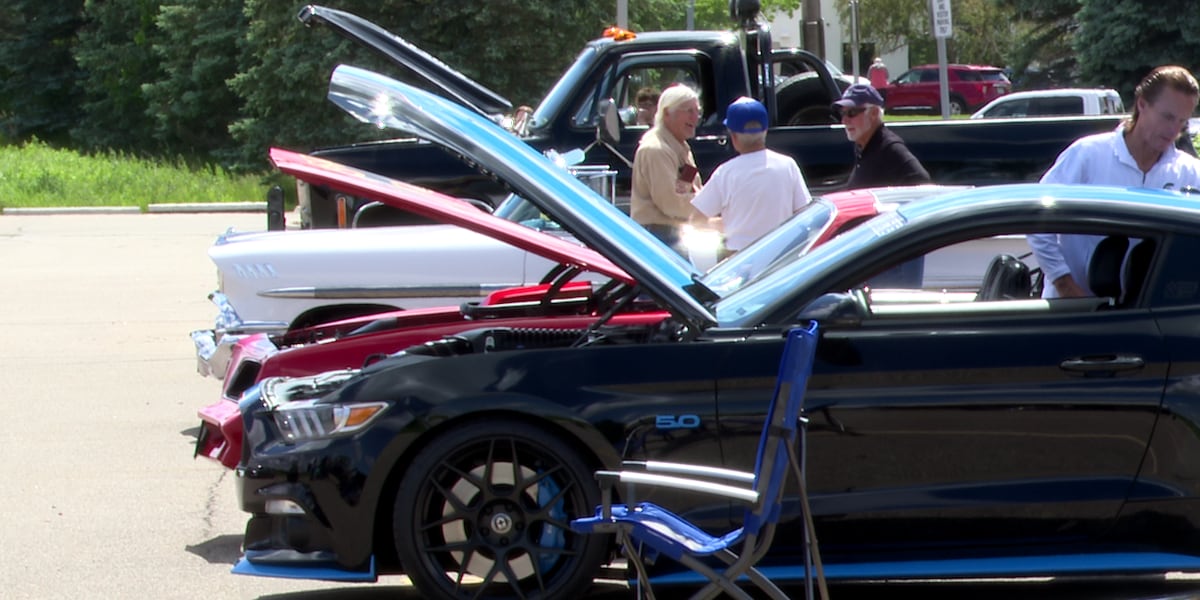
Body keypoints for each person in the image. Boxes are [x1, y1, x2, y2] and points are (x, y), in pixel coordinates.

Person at [1027, 64, 1200, 299]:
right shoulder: (1088, 154)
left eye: (1182, 121)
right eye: (1167, 117)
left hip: (1147, 317)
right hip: (1074, 310)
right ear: (1142, 104)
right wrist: (1065, 284)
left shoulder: (1189, 171)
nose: (1173, 129)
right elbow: (1036, 218)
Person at [691, 97, 812, 255]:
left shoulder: (725, 173)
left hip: (740, 261)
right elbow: (805, 214)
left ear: (733, 136)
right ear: (765, 131)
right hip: (782, 257)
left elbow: (696, 219)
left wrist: (726, 224)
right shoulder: (788, 165)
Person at [630, 83, 704, 255]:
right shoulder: (656, 149)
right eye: (689, 111)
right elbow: (671, 204)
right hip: (658, 236)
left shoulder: (680, 147)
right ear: (666, 113)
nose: (695, 117)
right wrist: (708, 206)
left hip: (677, 231)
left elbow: (693, 188)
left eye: (697, 111)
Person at [834, 83, 931, 189]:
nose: (844, 120)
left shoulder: (890, 148)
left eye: (852, 112)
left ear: (874, 113)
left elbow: (922, 184)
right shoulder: (863, 147)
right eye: (842, 113)